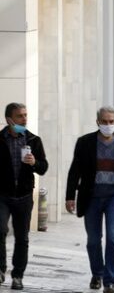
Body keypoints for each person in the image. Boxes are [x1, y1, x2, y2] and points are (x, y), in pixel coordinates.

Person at [66, 106, 114, 293]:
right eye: (104, 121)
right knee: (93, 240)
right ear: (98, 122)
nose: (108, 125)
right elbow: (75, 170)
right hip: (91, 197)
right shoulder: (85, 142)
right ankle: (97, 273)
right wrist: (69, 196)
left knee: (113, 238)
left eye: (111, 121)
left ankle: (110, 281)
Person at [0, 103, 48, 290]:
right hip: (2, 195)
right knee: (0, 230)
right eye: (20, 116)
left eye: (26, 115)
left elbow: (44, 167)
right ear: (9, 119)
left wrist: (35, 162)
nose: (24, 119)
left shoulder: (34, 140)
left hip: (24, 196)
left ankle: (18, 275)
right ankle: (1, 268)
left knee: (22, 237)